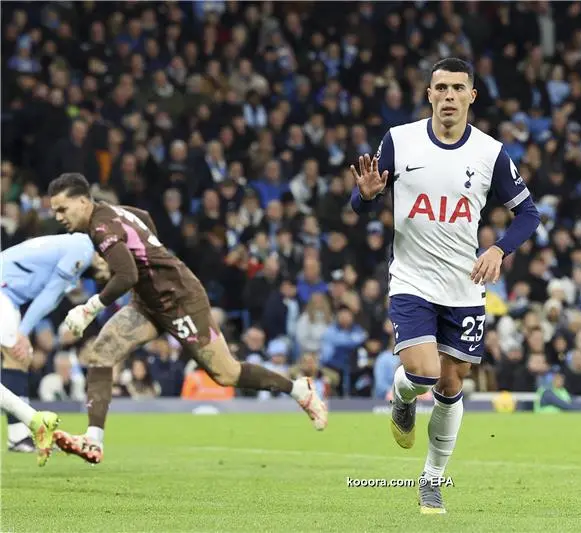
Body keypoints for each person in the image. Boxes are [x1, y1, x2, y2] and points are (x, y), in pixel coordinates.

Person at [349, 58, 540, 514]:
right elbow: (359, 203)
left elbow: (528, 214)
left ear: (472, 95)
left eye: (458, 88)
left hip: (464, 284)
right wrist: (368, 195)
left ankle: (432, 480)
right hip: (412, 279)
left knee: (452, 385)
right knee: (424, 374)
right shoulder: (400, 140)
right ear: (429, 94)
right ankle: (403, 394)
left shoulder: (490, 152)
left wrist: (498, 250)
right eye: (441, 88)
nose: (449, 95)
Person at [46, 173, 328, 465]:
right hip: (149, 303)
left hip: (180, 301)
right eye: (55, 210)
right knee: (102, 352)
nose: (58, 217)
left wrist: (88, 308)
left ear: (82, 202)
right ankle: (93, 440)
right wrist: (152, 260)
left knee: (226, 374)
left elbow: (127, 275)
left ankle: (299, 390)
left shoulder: (102, 227)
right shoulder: (112, 211)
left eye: (62, 209)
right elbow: (143, 218)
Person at [0, 233, 103, 462]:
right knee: (17, 353)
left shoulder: (75, 247)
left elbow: (52, 296)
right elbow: (50, 294)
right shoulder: (83, 248)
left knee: (19, 358)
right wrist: (23, 332)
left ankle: (20, 434)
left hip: (9, 295)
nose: (108, 270)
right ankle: (25, 430)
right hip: (3, 292)